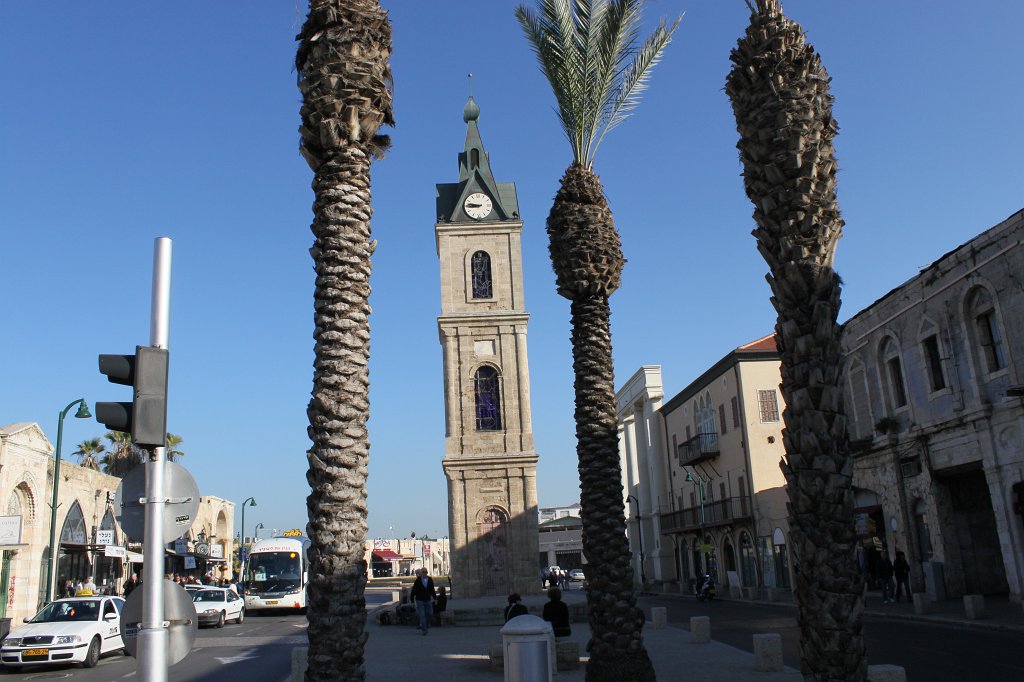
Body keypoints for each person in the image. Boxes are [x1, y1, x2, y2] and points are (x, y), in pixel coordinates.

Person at [409, 568, 436, 635]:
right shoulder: (418, 580)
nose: (424, 573)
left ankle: (426, 625)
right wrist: (412, 601)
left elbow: (432, 589)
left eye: (425, 572)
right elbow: (413, 591)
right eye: (423, 572)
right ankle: (424, 630)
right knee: (422, 615)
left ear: (427, 572)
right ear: (421, 573)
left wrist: (435, 598)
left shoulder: (430, 579)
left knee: (430, 613)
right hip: (420, 600)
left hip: (428, 599)